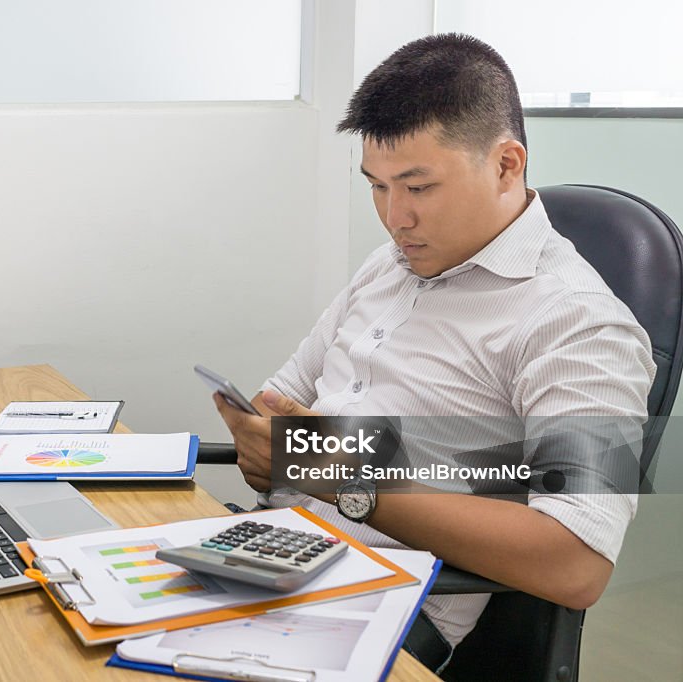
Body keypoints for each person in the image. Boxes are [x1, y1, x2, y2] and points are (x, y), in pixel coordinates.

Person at [213, 33, 655, 672]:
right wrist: (270, 445)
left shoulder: (577, 323)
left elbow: (576, 561)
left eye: (418, 188)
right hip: (272, 553)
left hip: (382, 607)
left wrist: (343, 480)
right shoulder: (389, 264)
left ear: (506, 164)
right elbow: (285, 403)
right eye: (378, 186)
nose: (395, 218)